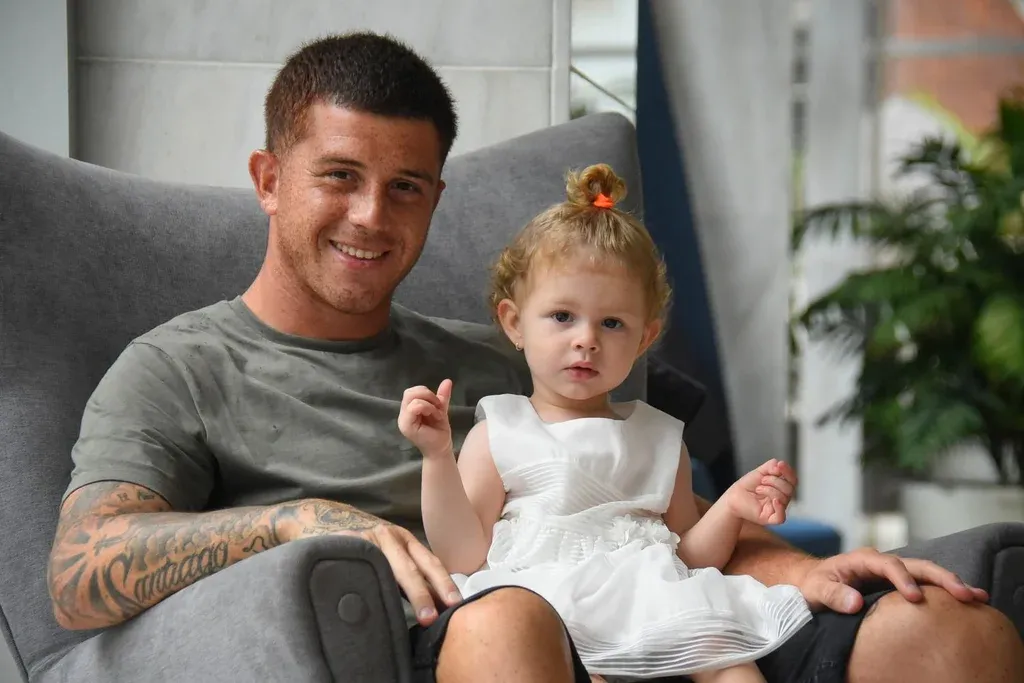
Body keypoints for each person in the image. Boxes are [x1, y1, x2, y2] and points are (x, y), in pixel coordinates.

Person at [45, 30, 1022, 683]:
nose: (371, 216)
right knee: (507, 620)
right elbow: (80, 573)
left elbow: (661, 515)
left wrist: (795, 566)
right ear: (268, 179)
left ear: (436, 196)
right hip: (449, 639)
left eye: (406, 186)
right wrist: (297, 519)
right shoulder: (180, 365)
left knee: (945, 631)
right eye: (338, 176)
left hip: (655, 623)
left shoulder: (528, 353)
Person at [398, 163, 813, 683]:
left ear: (644, 339)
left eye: (612, 323)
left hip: (653, 603)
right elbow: (462, 554)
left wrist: (730, 508)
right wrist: (437, 457)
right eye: (562, 317)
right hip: (552, 610)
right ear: (514, 323)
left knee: (726, 657)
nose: (586, 340)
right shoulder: (503, 430)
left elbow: (688, 557)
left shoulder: (660, 438)